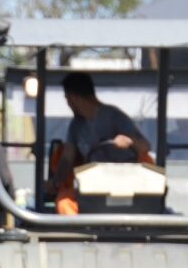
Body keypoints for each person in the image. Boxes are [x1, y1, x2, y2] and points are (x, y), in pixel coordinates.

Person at [49, 72, 153, 214]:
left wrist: (129, 140)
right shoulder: (76, 125)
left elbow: (145, 146)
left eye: (67, 99)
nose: (68, 104)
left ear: (74, 98)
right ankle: (80, 235)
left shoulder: (113, 116)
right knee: (64, 202)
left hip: (125, 182)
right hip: (93, 184)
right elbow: (67, 158)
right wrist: (55, 182)